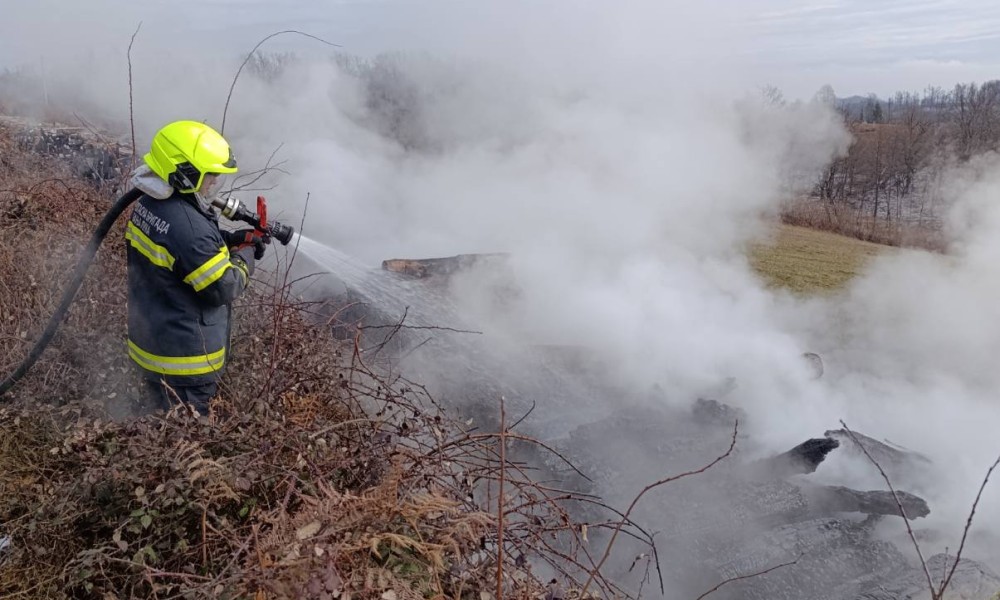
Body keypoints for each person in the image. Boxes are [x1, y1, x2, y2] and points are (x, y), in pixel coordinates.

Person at [125, 120, 266, 415]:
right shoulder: (188, 226)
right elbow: (223, 286)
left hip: (152, 343)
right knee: (185, 440)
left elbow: (181, 254)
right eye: (210, 175)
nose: (214, 183)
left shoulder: (151, 202)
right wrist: (247, 255)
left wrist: (229, 240)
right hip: (185, 365)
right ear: (185, 174)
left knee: (155, 427)